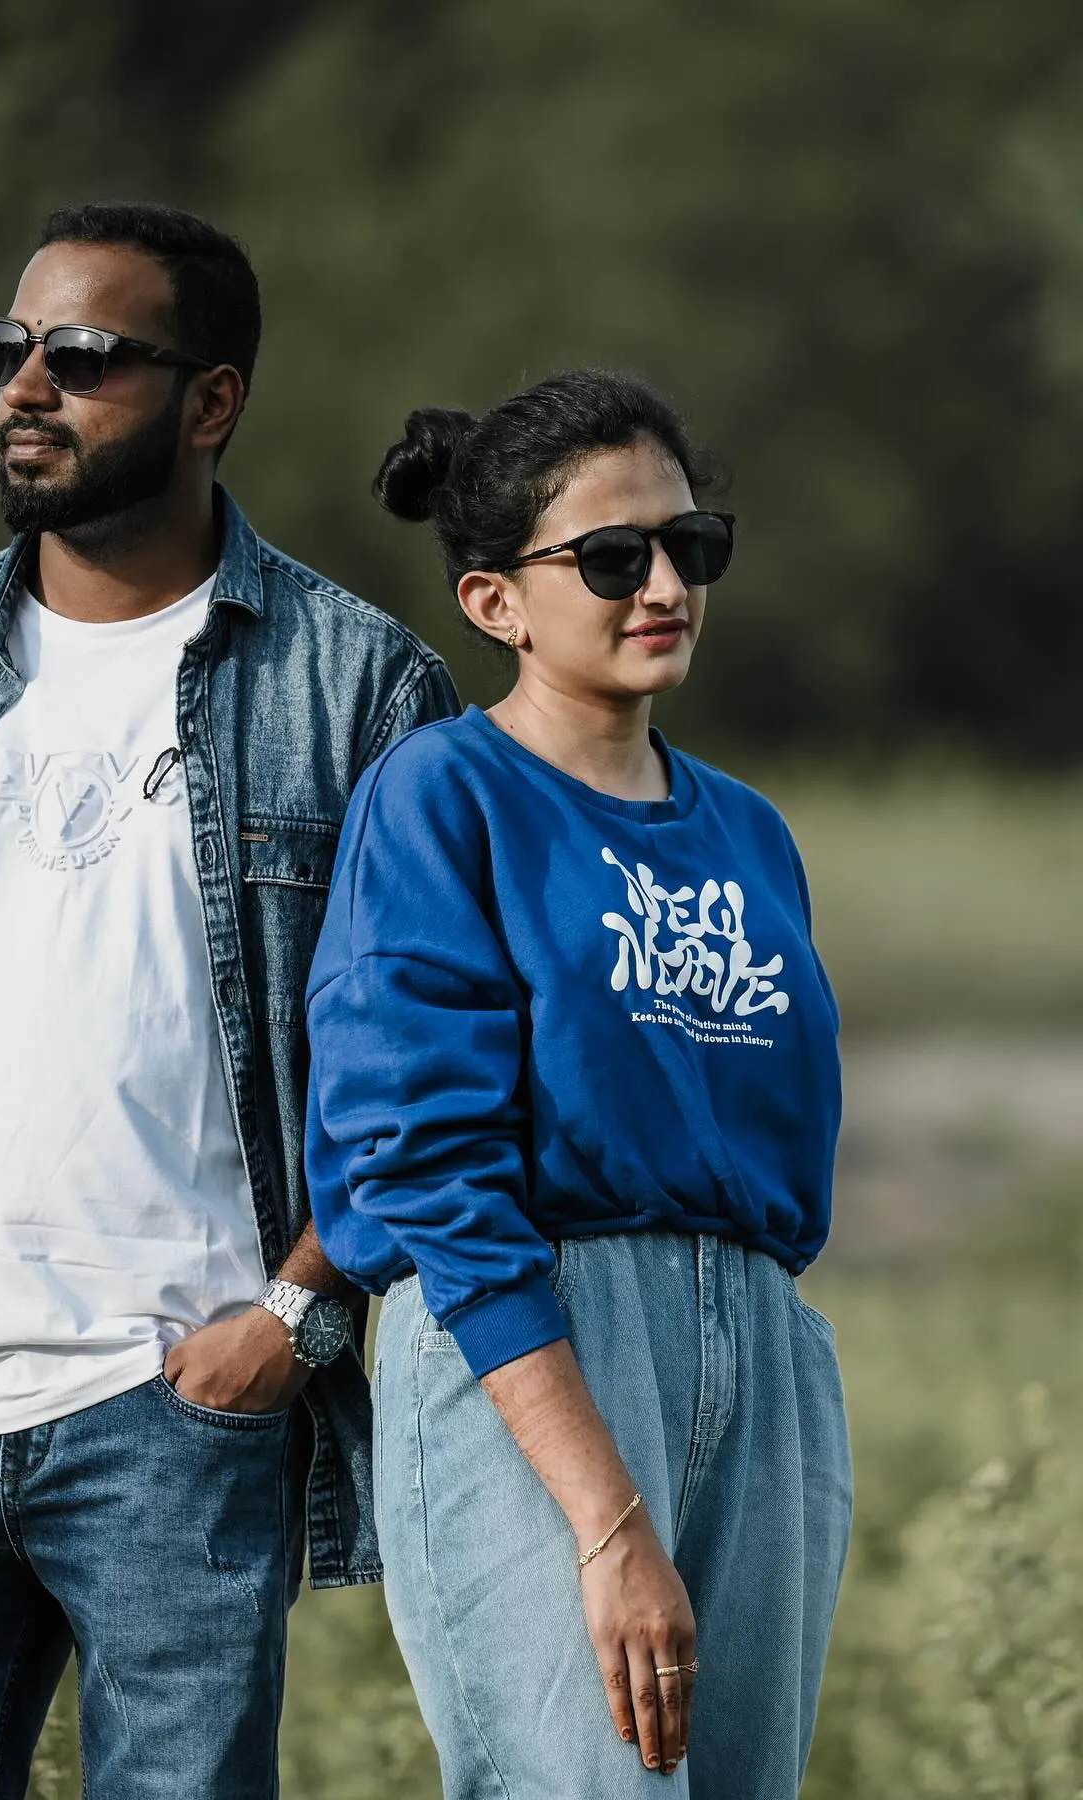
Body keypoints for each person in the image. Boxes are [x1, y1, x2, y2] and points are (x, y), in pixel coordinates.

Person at [0, 200, 458, 1798]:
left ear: (213, 401)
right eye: (9, 349)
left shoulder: (359, 686)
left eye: (85, 356)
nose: (27, 386)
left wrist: (296, 1312)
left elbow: (436, 1052)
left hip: (180, 1416)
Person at [305, 371, 851, 1798]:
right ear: (496, 603)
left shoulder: (751, 830)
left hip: (759, 1351)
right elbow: (420, 1162)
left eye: (693, 546)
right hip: (542, 1340)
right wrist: (606, 1518)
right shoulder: (443, 797)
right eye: (615, 558)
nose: (666, 583)